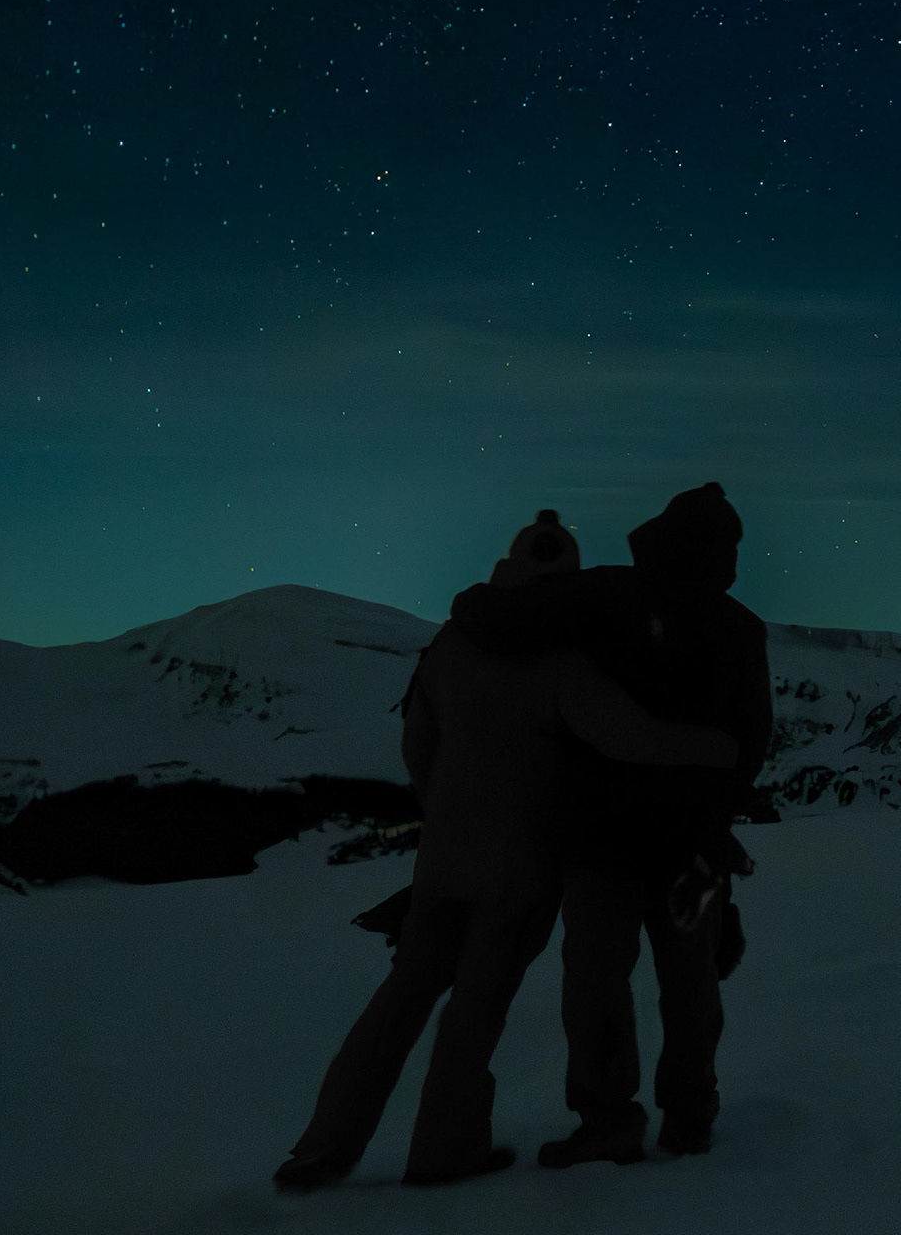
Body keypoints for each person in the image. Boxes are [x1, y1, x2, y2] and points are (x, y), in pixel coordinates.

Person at [271, 510, 743, 1192]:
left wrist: (446, 815)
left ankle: (322, 1150)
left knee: (398, 1001)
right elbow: (627, 736)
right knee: (475, 1011)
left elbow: (418, 746)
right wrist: (714, 748)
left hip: (440, 862)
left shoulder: (450, 644)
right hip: (518, 869)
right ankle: (443, 1152)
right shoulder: (558, 659)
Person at [444, 481, 771, 1167]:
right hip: (686, 848)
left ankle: (610, 1119)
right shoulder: (737, 627)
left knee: (598, 984)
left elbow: (499, 623)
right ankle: (689, 1117)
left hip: (603, 840)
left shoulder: (604, 595)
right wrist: (712, 822)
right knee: (689, 988)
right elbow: (749, 742)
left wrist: (484, 594)